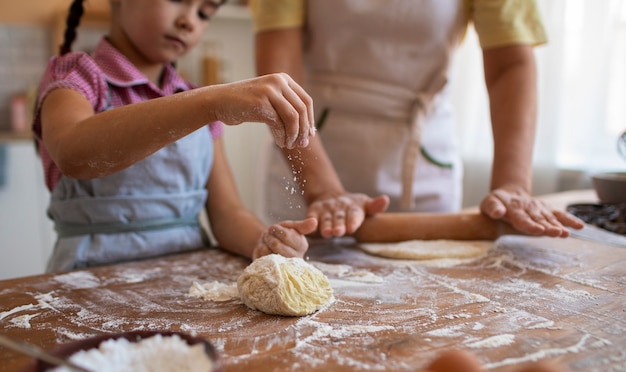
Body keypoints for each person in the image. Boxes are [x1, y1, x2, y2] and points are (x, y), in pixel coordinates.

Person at [250, 0, 585, 238]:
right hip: (310, 150)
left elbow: (510, 67)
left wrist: (513, 185)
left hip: (425, 158)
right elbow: (281, 73)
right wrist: (323, 191)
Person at [33, 0, 324, 272]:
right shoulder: (77, 78)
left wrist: (264, 242)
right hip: (86, 284)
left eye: (204, 13)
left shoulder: (197, 99)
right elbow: (74, 154)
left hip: (186, 285)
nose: (189, 21)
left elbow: (228, 215)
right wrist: (211, 101)